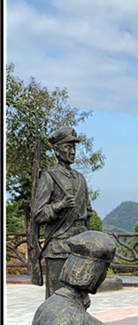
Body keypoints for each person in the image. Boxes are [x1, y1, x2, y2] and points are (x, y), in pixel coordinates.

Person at [32, 126, 94, 298]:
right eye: (68, 147)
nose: (72, 152)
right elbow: (38, 214)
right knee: (58, 299)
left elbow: (88, 213)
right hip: (58, 248)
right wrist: (59, 205)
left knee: (80, 298)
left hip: (80, 247)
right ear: (57, 150)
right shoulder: (49, 177)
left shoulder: (80, 179)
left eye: (74, 147)